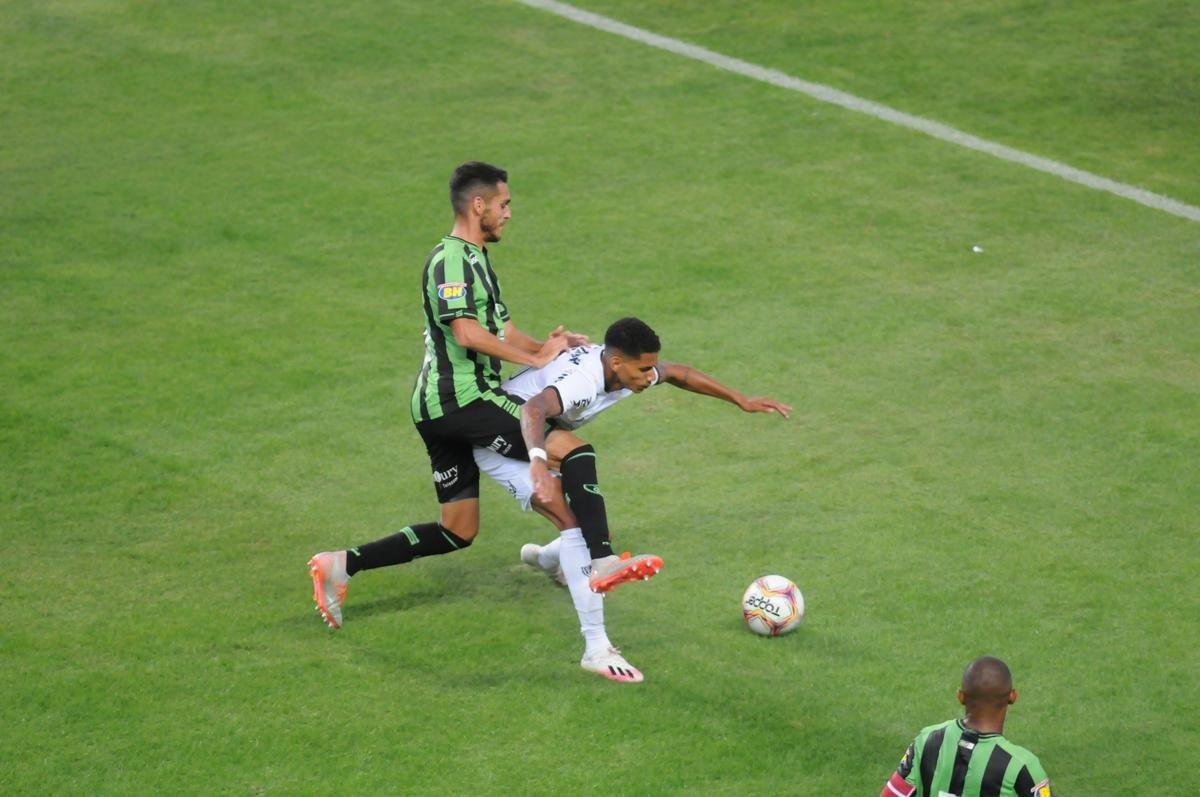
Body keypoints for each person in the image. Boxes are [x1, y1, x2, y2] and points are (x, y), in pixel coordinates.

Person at [307, 161, 591, 649]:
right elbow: (467, 333)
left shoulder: (477, 260)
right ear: (477, 205)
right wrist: (534, 358)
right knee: (572, 449)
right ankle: (583, 558)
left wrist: (549, 345)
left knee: (458, 530)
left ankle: (340, 564)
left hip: (439, 411)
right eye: (503, 205)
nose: (508, 214)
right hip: (461, 402)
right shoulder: (451, 259)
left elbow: (499, 329)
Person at [473, 317, 790, 679]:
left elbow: (677, 373)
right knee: (580, 517)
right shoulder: (584, 381)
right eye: (643, 369)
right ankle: (596, 643)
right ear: (617, 362)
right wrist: (538, 463)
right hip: (502, 433)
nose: (649, 376)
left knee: (577, 516)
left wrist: (741, 400)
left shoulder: (626, 371)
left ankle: (548, 559)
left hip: (540, 430)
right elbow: (531, 409)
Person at [881, 656, 1054, 797]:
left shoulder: (926, 740)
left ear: (961, 696)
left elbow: (892, 795)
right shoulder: (1021, 766)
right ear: (1012, 697)